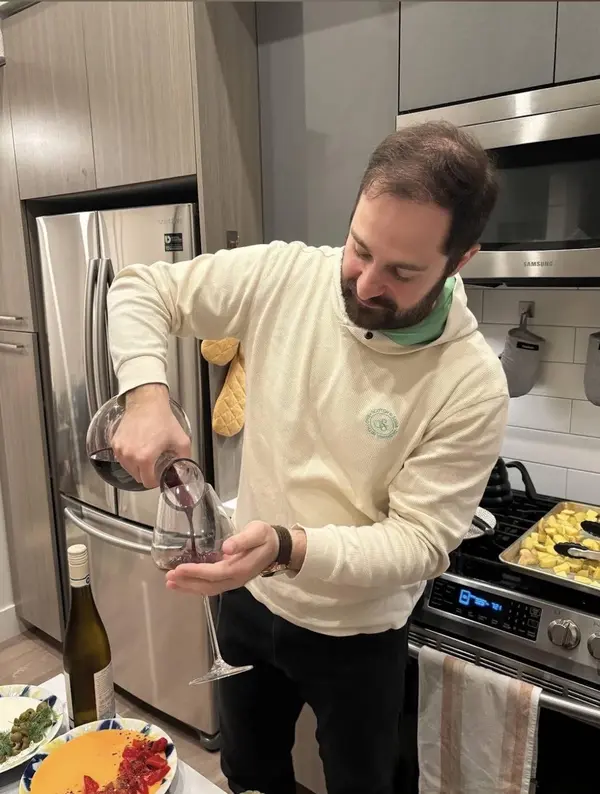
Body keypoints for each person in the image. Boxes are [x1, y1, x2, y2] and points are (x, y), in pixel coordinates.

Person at [107, 121, 509, 794]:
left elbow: (420, 543)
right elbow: (141, 289)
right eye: (360, 248)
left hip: (359, 634)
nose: (365, 283)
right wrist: (145, 394)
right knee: (248, 772)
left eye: (402, 271)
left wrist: (288, 545)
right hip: (249, 600)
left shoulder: (470, 383)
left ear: (459, 260)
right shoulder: (288, 274)